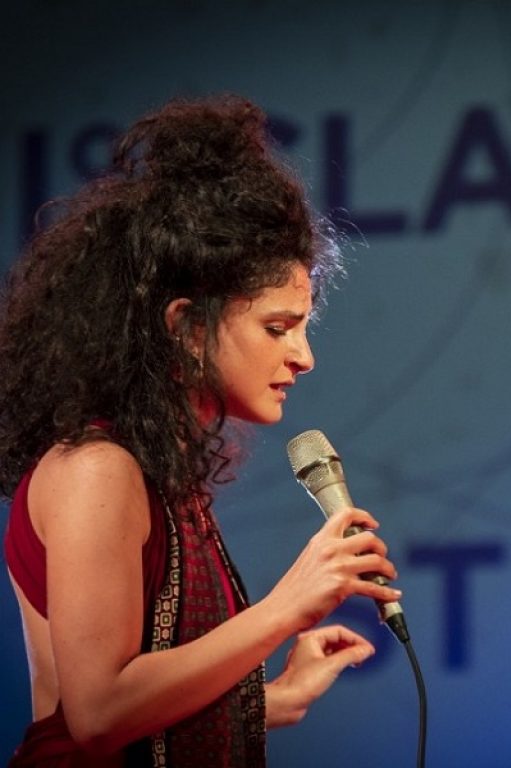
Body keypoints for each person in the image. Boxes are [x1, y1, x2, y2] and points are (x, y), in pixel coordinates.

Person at [0, 96, 402, 767]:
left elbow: (144, 718)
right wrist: (286, 607)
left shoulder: (158, 474)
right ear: (186, 327)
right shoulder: (97, 469)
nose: (304, 357)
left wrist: (267, 700)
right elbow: (98, 715)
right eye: (278, 328)